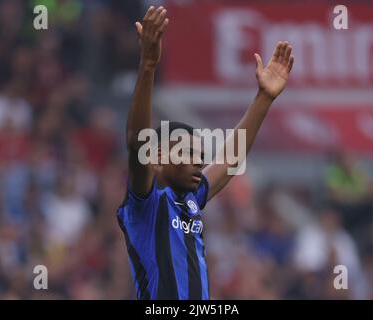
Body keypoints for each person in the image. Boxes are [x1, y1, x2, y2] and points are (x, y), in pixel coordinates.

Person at [117, 5, 294, 300]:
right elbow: (137, 141)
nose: (198, 160)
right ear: (158, 156)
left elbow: (230, 158)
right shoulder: (144, 206)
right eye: (187, 151)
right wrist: (148, 65)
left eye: (200, 154)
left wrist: (263, 98)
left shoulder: (189, 200)